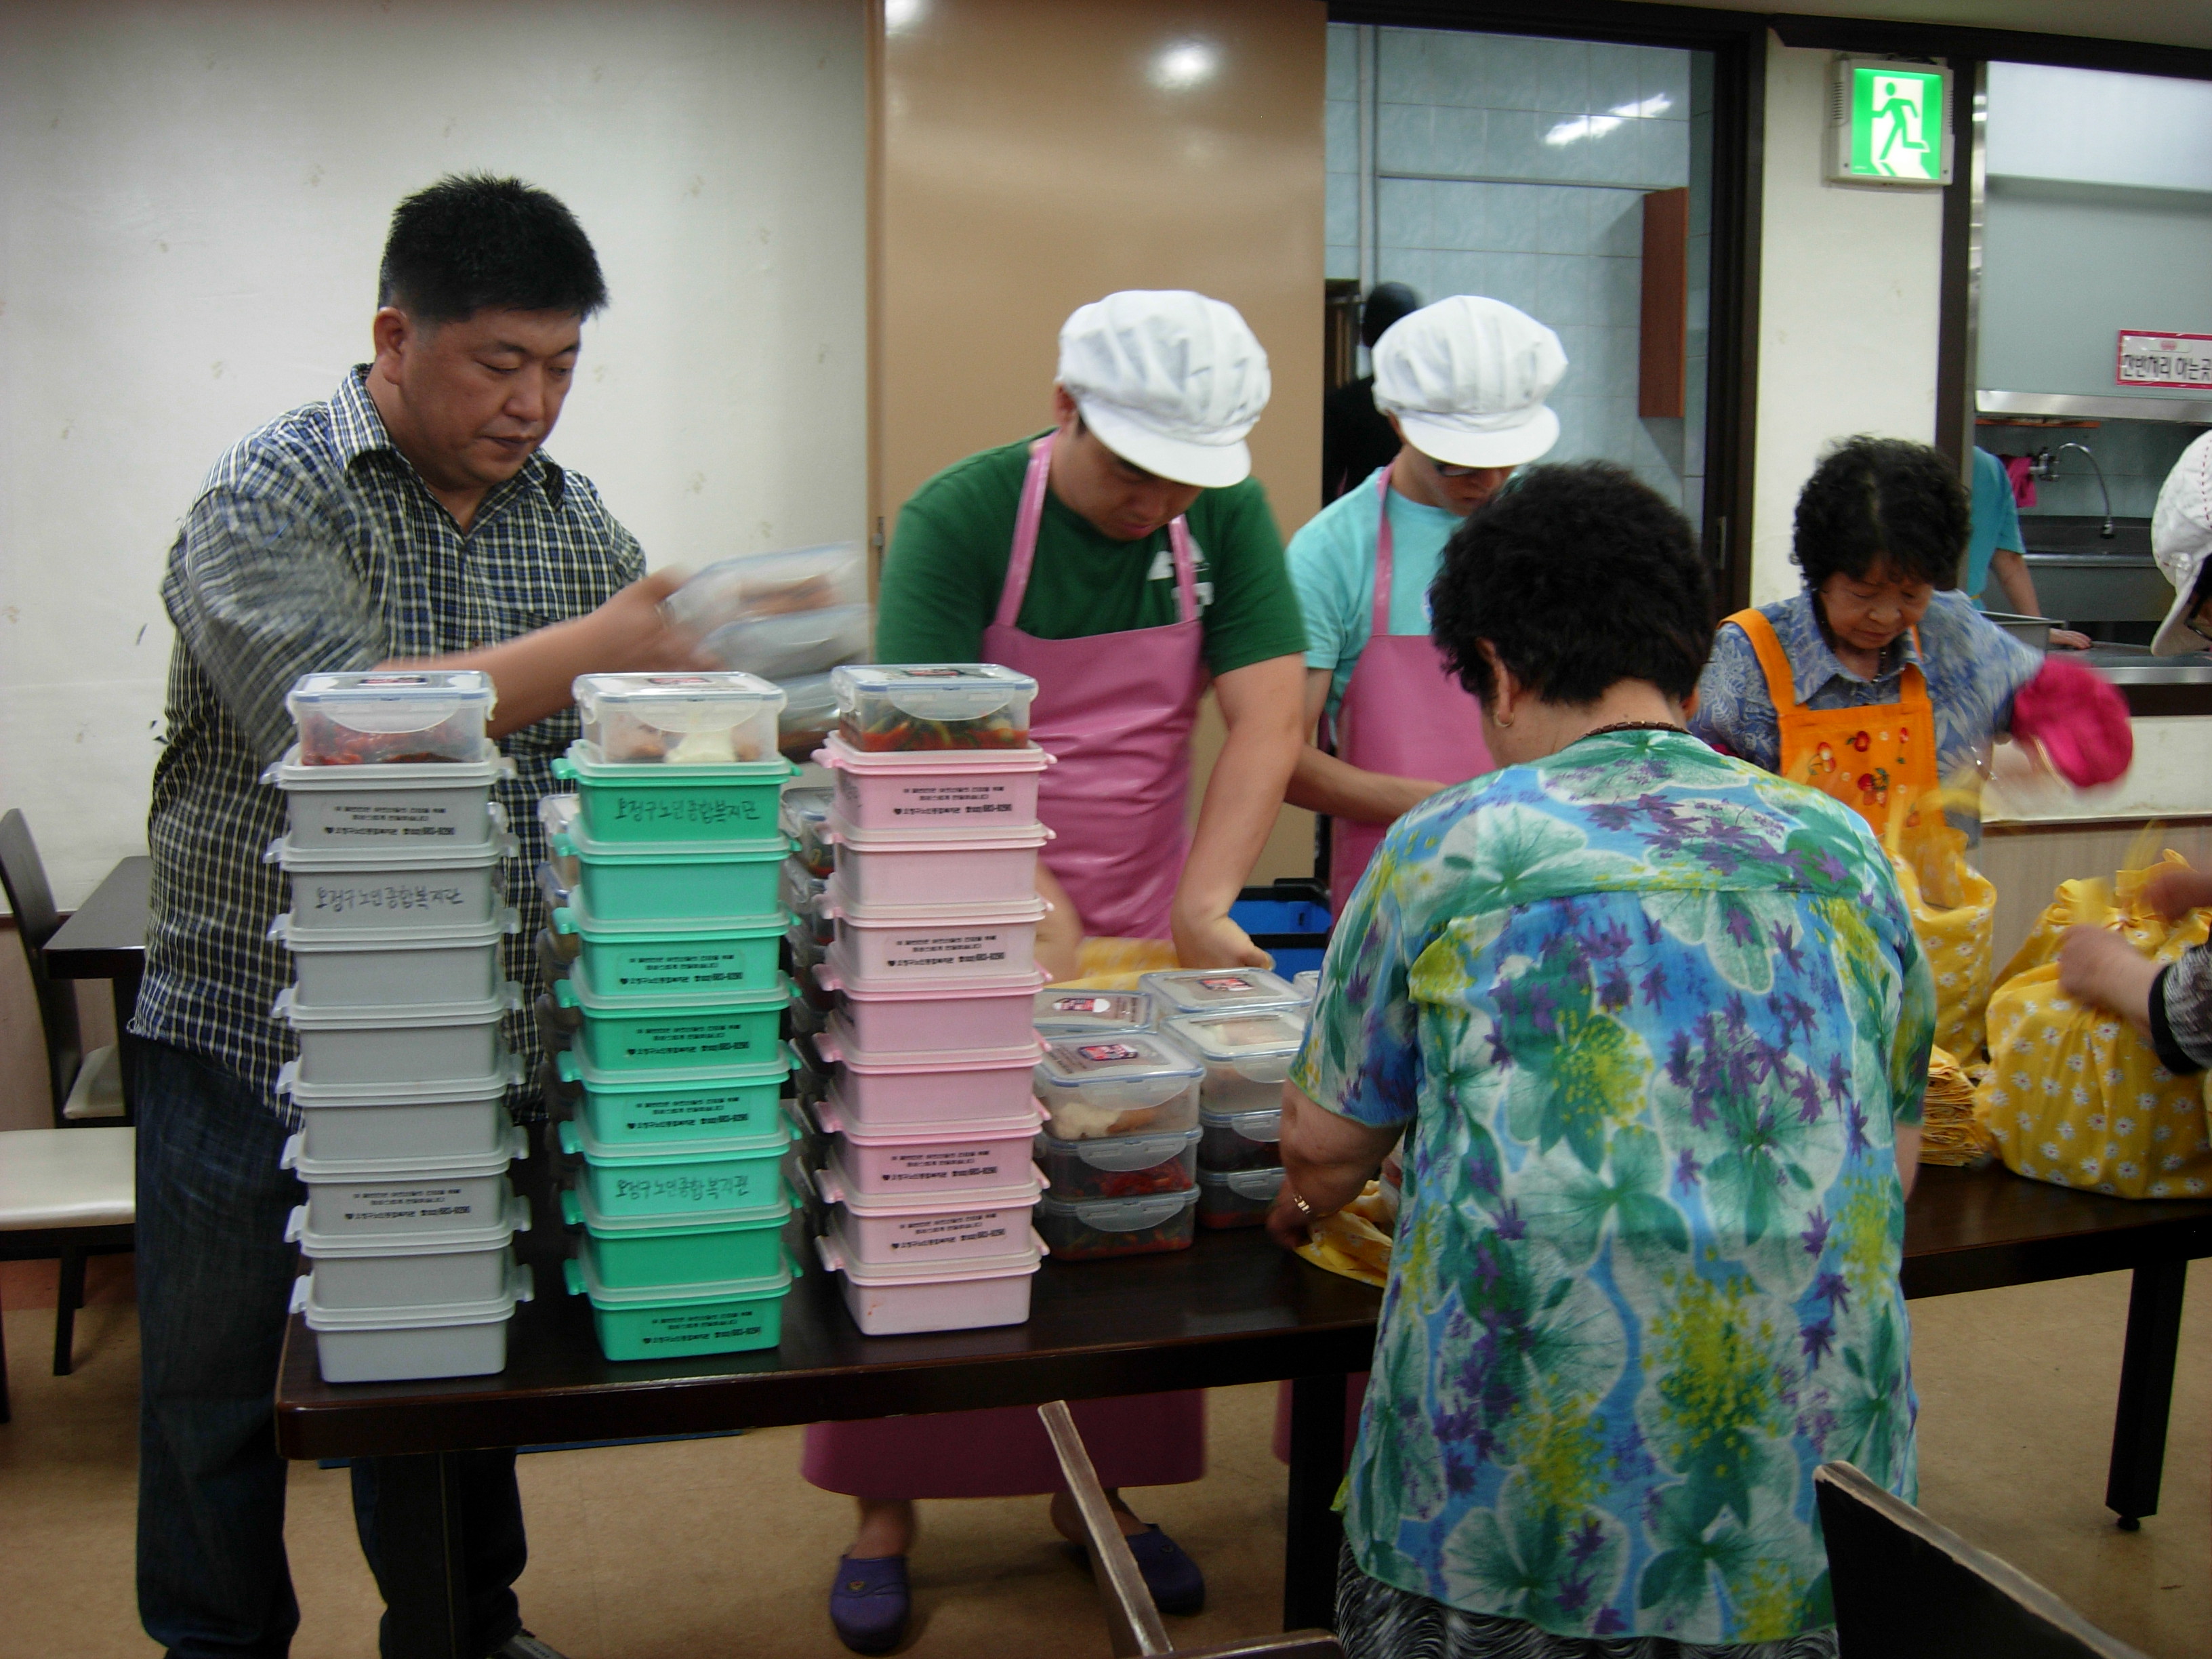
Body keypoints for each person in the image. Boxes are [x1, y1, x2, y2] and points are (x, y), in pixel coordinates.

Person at [131, 175, 703, 1659]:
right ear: (396, 336)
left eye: (564, 368)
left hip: (466, 1044)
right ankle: (214, 1642)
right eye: (500, 363)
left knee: (442, 1377)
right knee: (212, 1393)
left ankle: (463, 1632)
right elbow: (333, 726)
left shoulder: (573, 522)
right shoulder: (271, 493)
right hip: (243, 1029)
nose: (534, 404)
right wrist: (603, 649)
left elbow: (625, 729)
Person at [1269, 462, 1933, 1658]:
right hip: (1815, 1524)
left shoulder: (1447, 848)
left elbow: (1320, 1149)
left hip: (1506, 1528)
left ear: (1501, 671)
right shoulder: (1841, 849)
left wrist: (1309, 1196)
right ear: (1685, 659)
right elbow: (1895, 1145)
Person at [819, 289, 1309, 1652]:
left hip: (1139, 911)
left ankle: (1098, 1488)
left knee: (1125, 1217)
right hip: (954, 901)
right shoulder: (963, 514)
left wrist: (1209, 898)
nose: (1159, 501)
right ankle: (884, 1507)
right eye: (1132, 468)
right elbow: (922, 731)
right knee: (934, 1199)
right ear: (1065, 409)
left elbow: (1269, 705)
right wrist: (1010, 895)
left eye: (1183, 481)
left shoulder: (1221, 515)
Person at [1286, 295, 1565, 909]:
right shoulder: (1332, 553)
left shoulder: (1555, 534)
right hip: (1395, 888)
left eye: (1503, 459)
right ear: (1397, 423)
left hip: (1549, 878)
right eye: (1459, 462)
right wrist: (1443, 808)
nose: (1488, 482)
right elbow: (1282, 760)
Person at [1692, 436, 2055, 834]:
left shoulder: (1953, 635)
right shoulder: (1749, 654)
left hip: (1933, 896)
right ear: (1818, 573)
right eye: (1863, 594)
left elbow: (2055, 699)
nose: (1884, 616)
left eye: (1910, 595)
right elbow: (1692, 788)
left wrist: (2050, 742)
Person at [1965, 446, 2089, 647]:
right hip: (1970, 624)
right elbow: (2009, 560)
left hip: (1909, 620)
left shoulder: (1914, 458)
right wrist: (2037, 629)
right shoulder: (1989, 467)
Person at [1322, 282, 1422, 501]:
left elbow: (1326, 487)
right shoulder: (1433, 401)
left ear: (1363, 335)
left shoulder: (1342, 403)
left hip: (1363, 520)